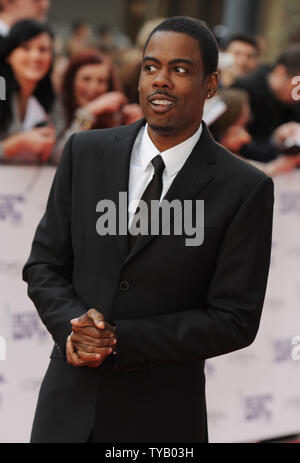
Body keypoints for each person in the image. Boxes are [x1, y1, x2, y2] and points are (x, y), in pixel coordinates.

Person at [23, 16, 274, 443]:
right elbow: (44, 264)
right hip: (67, 408)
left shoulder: (245, 188)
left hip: (163, 417)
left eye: (179, 70)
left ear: (210, 86)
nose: (160, 81)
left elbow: (234, 319)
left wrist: (119, 341)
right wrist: (75, 327)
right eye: (150, 67)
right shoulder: (85, 153)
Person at [53, 49, 143, 164]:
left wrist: (136, 129)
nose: (93, 87)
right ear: (72, 81)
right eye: (86, 79)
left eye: (101, 81)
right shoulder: (59, 107)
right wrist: (87, 113)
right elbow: (59, 157)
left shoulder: (115, 115)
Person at [232, 44, 300, 162]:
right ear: (280, 72)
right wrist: (275, 140)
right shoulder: (243, 91)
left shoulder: (293, 100)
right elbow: (235, 147)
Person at [0, 19, 56, 163]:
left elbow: (59, 154)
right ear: (9, 54)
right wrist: (19, 143)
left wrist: (87, 114)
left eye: (43, 49)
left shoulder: (48, 100)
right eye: (26, 47)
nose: (36, 57)